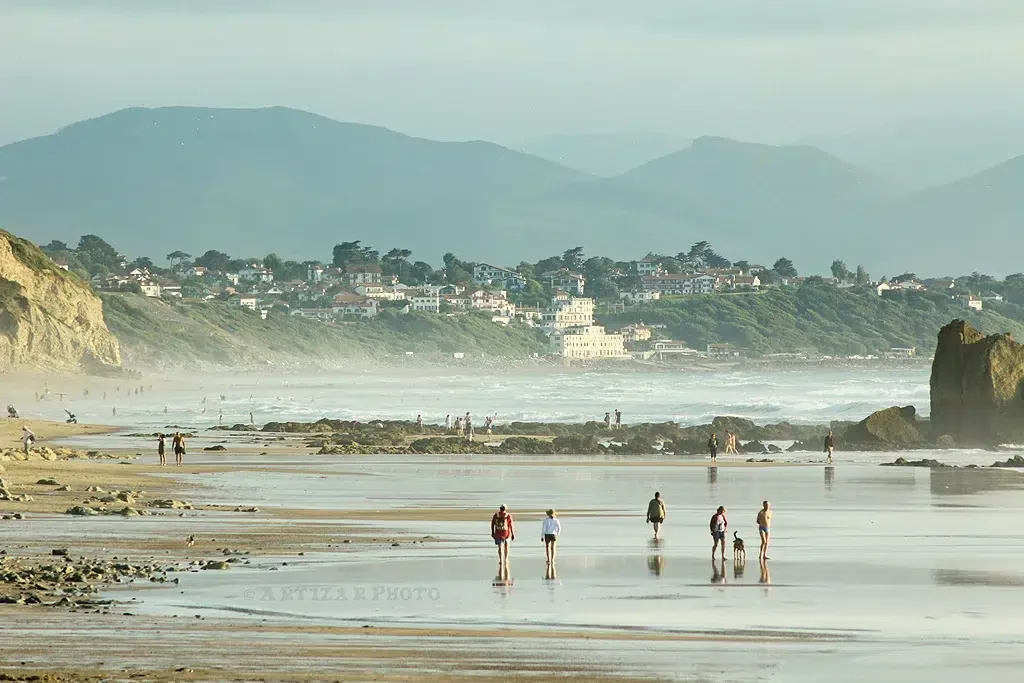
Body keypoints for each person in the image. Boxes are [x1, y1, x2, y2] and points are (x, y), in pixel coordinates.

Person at [491, 504, 515, 576]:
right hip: (506, 533)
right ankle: (506, 559)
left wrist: (493, 532)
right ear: (505, 509)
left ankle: (501, 560)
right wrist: (513, 534)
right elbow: (511, 525)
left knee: (500, 547)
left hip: (498, 533)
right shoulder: (508, 515)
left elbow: (492, 524)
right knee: (507, 546)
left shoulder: (496, 515)